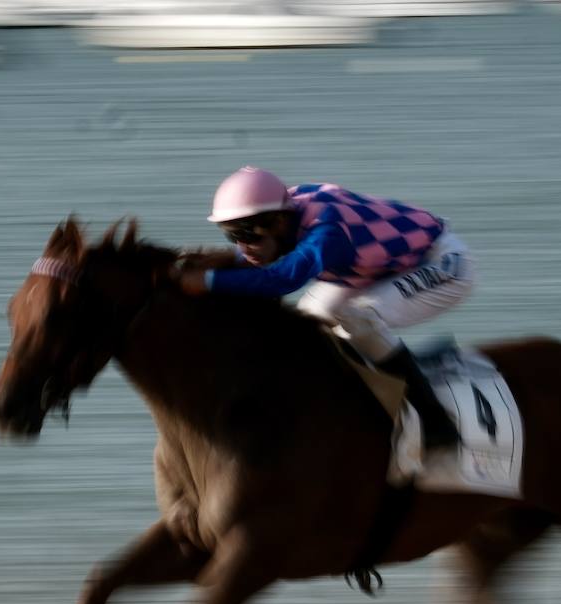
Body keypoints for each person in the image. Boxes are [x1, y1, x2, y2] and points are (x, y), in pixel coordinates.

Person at [176, 166, 474, 453]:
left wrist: (207, 280)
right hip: (377, 269)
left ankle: (436, 423)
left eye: (248, 235)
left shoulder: (327, 230)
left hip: (441, 263)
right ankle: (380, 381)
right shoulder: (282, 215)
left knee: (360, 319)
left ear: (279, 222)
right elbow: (255, 261)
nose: (243, 246)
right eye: (232, 235)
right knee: (306, 321)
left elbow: (280, 280)